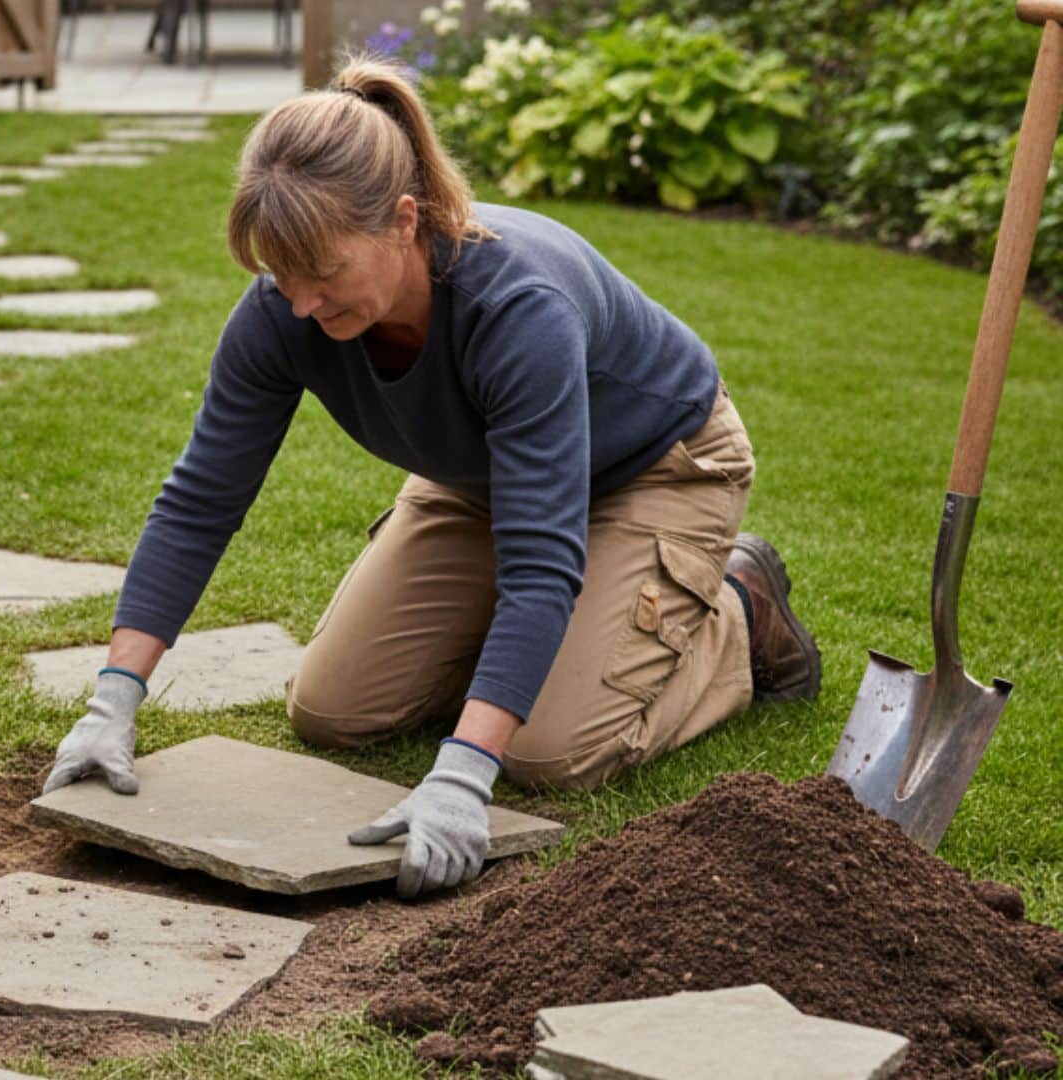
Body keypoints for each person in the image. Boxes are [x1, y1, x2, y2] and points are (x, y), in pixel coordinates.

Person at [40, 56, 823, 899]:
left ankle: (739, 609)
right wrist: (114, 697)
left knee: (548, 751)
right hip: (479, 477)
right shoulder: (282, 311)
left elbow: (539, 561)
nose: (300, 303)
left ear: (404, 222)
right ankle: (561, 641)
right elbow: (201, 500)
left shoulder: (518, 308)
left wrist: (463, 770)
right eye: (281, 272)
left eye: (324, 273)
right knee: (333, 710)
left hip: (657, 467)